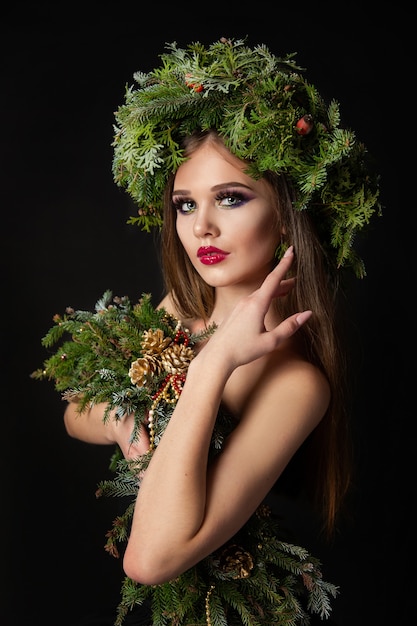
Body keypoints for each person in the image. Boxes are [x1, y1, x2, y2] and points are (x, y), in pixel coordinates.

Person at [36, 38, 381, 625]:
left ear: (287, 213)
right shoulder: (183, 306)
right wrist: (133, 430)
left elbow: (149, 559)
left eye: (231, 198)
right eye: (185, 204)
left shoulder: (296, 384)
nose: (203, 228)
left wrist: (213, 363)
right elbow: (75, 409)